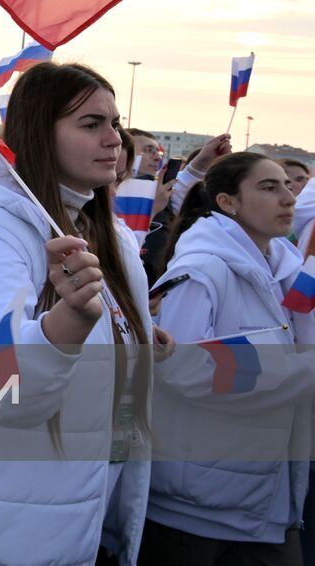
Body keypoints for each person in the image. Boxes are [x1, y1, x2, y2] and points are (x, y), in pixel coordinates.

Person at [0, 62, 162, 565]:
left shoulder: (100, 226)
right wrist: (68, 323)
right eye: (91, 125)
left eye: (115, 123)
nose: (116, 139)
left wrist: (132, 339)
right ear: (40, 133)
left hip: (69, 514)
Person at [144, 153, 315, 565]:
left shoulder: (288, 270)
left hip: (262, 500)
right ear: (227, 202)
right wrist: (304, 370)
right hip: (197, 507)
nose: (288, 198)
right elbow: (184, 370)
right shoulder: (202, 270)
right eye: (269, 187)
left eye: (289, 187)